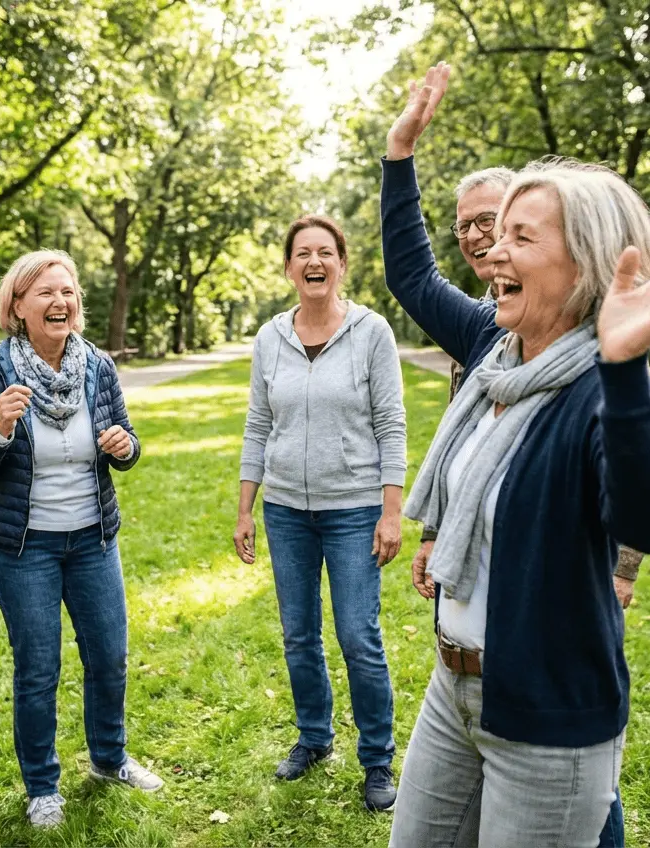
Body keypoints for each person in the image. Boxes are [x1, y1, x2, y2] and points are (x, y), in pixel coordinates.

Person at [382, 65, 650, 847]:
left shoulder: (600, 391)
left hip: (547, 715)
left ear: (586, 264)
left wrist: (627, 369)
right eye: (495, 234)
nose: (492, 251)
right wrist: (401, 151)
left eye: (519, 237)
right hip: (453, 689)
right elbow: (410, 272)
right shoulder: (491, 347)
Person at [0, 249, 161, 829]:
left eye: (67, 291)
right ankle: (42, 785)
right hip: (24, 549)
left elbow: (128, 440)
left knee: (109, 658)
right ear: (17, 306)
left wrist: (125, 446)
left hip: (92, 541)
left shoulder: (96, 366)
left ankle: (110, 760)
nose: (60, 301)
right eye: (45, 292)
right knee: (39, 668)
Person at [406, 165, 645, 614]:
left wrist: (623, 567)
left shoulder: (597, 381)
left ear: (579, 257)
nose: (490, 245)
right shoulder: (492, 343)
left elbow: (641, 503)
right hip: (455, 656)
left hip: (530, 651)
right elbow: (469, 465)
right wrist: (435, 533)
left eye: (507, 232)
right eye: (468, 225)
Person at [235, 215, 407, 812]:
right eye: (303, 253)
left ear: (341, 264)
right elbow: (259, 424)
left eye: (325, 253)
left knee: (359, 636)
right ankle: (314, 737)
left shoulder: (371, 332)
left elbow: (391, 423)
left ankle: (378, 760)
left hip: (355, 509)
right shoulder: (269, 337)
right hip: (285, 510)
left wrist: (392, 511)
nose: (314, 262)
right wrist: (246, 508)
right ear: (288, 268)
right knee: (299, 635)